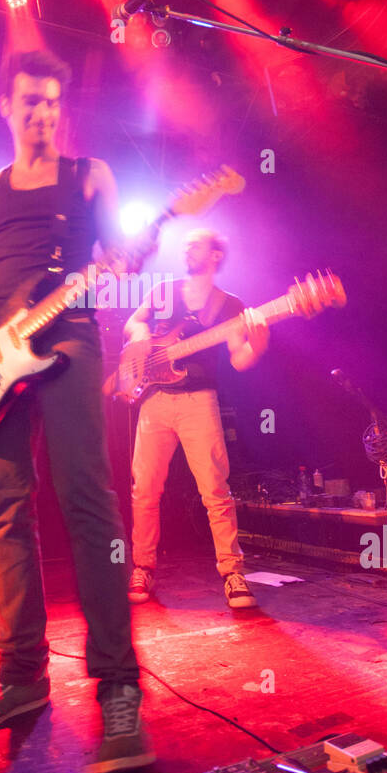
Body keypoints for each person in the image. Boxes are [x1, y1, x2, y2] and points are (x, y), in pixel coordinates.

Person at [0, 48, 153, 773]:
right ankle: (22, 680)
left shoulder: (91, 175)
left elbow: (124, 251)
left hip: (68, 334)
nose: (43, 114)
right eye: (29, 101)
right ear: (4, 104)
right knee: (6, 510)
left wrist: (129, 255)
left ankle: (119, 687)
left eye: (53, 103)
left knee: (87, 499)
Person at [124, 228, 269, 609]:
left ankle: (233, 573)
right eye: (185, 243)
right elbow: (133, 323)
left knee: (215, 491)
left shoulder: (230, 305)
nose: (187, 247)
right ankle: (143, 567)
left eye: (196, 243)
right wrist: (140, 334)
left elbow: (239, 359)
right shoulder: (164, 289)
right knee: (145, 490)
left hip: (200, 401)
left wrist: (259, 345)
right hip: (154, 399)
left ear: (216, 255)